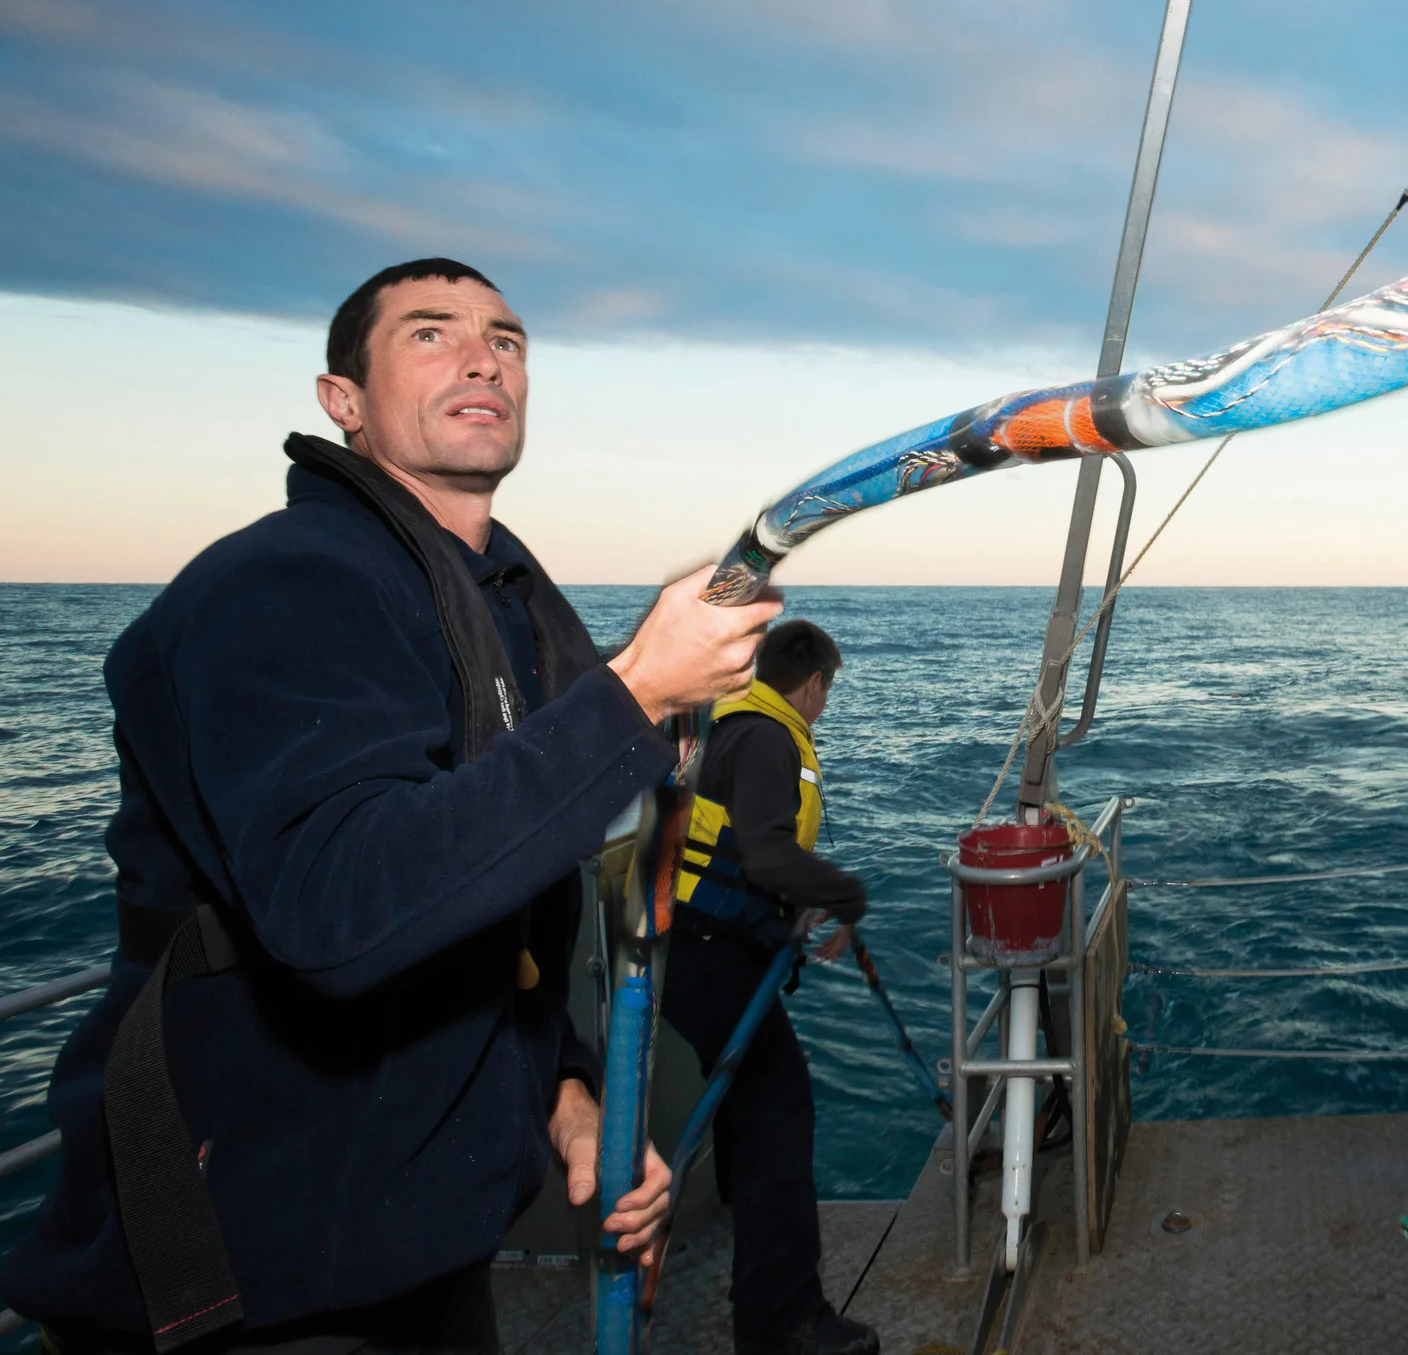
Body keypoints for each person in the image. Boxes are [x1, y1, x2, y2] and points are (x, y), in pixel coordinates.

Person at [0, 258, 780, 1353]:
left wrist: (569, 1104)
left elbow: (482, 904)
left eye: (505, 339)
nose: (481, 356)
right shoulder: (285, 583)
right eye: (429, 333)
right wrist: (638, 687)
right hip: (250, 1283)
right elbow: (343, 907)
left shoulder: (497, 602)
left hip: (420, 1250)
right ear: (344, 403)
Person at [662, 620, 877, 1355]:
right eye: (828, 692)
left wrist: (792, 900)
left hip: (703, 946)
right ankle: (781, 1318)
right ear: (812, 682)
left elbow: (741, 850)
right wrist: (844, 894)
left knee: (750, 1105)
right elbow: (763, 850)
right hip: (711, 954)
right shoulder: (765, 738)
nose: (824, 705)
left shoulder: (738, 724)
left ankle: (741, 1231)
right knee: (779, 1104)